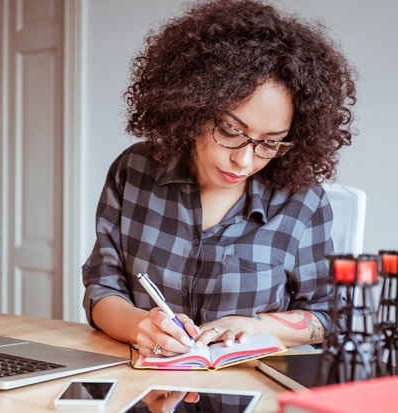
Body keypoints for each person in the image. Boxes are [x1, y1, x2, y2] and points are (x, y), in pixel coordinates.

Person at [82, 0, 357, 360]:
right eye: (230, 130)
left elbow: (328, 314)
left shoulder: (302, 201)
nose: (243, 160)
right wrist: (139, 326)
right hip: (142, 383)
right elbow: (102, 287)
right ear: (192, 106)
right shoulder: (133, 170)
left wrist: (260, 326)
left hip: (252, 393)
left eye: (270, 143)